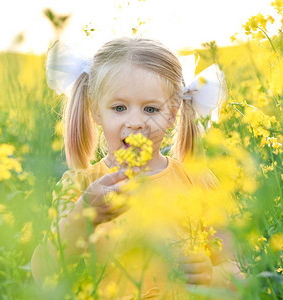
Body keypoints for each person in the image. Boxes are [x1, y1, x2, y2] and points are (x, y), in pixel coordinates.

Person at [31, 37, 236, 298]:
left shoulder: (198, 183)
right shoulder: (82, 188)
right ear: (96, 111)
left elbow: (239, 272)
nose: (136, 121)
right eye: (119, 108)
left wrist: (212, 276)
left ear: (172, 115)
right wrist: (85, 214)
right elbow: (42, 272)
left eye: (151, 109)